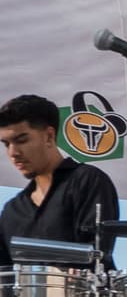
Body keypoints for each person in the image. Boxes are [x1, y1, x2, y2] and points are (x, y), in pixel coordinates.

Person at [0, 94, 119, 267]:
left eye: (22, 140)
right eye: (6, 144)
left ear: (49, 136)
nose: (13, 152)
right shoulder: (12, 210)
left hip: (85, 293)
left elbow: (96, 254)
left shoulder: (87, 180)